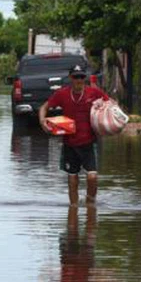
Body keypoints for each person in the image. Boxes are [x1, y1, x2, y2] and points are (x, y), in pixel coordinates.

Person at [39, 65, 109, 207]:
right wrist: (42, 121)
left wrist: (110, 121)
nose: (79, 80)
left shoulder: (93, 92)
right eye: (76, 77)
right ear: (71, 78)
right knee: (72, 178)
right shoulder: (62, 94)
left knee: (92, 176)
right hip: (70, 143)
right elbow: (44, 107)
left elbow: (110, 104)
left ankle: (90, 204)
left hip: (89, 142)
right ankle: (73, 208)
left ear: (85, 78)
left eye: (82, 77)